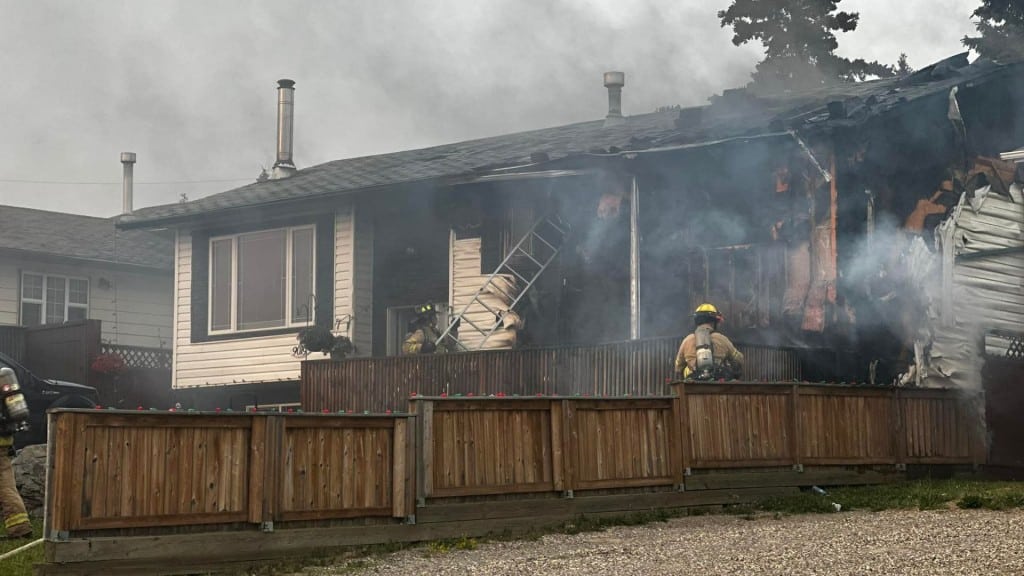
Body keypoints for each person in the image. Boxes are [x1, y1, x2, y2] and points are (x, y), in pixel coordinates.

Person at [0, 367, 32, 539]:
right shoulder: (3, 381)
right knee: (7, 486)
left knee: (5, 488)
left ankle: (20, 529)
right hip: (4, 443)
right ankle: (20, 527)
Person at [674, 303, 744, 381]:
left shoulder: (687, 340)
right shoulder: (721, 339)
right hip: (718, 385)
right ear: (714, 322)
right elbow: (739, 359)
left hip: (692, 385)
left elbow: (678, 368)